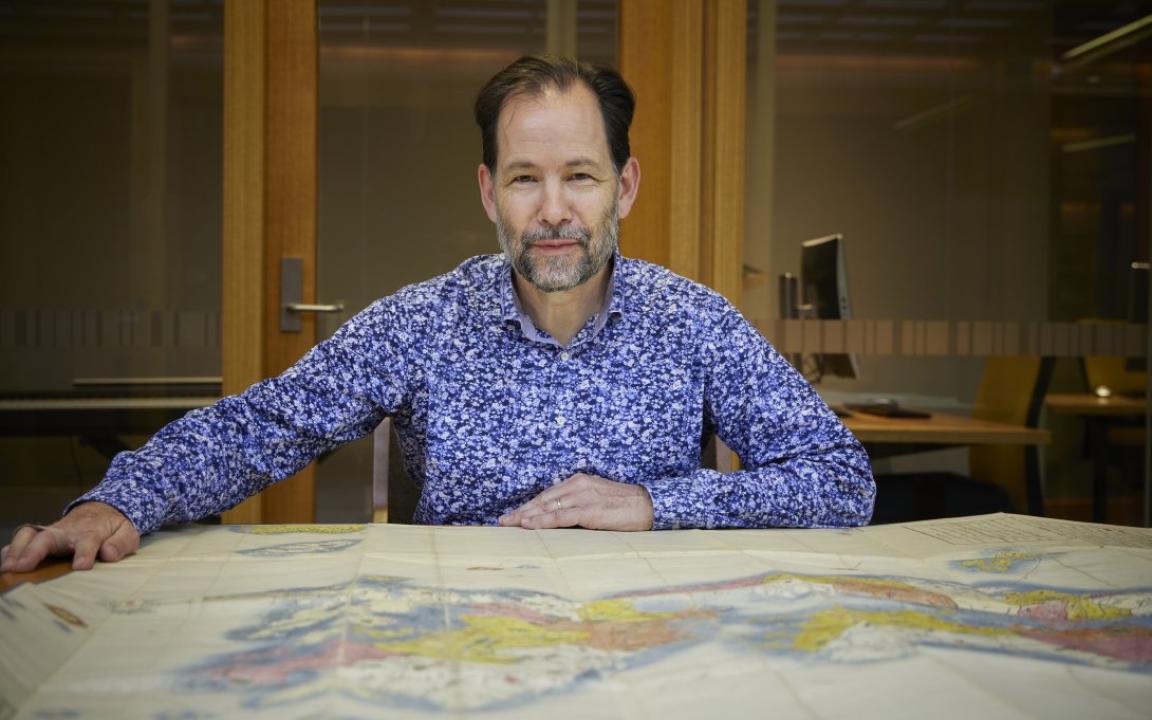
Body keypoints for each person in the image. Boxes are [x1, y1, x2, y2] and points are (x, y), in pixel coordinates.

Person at [1, 55, 874, 575]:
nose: (555, 210)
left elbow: (842, 481)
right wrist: (116, 502)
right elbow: (263, 425)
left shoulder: (696, 321)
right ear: (490, 192)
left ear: (626, 186)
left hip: (650, 640)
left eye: (582, 175)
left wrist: (656, 503)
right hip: (458, 645)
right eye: (527, 179)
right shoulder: (421, 321)